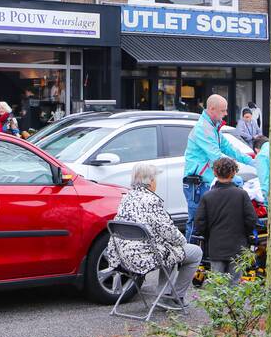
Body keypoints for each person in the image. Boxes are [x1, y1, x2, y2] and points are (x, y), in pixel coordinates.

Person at [106, 163, 203, 309]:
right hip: (144, 257)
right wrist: (183, 241)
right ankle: (176, 297)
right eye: (155, 179)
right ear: (150, 181)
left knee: (169, 250)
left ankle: (164, 295)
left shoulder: (126, 198)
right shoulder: (151, 200)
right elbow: (168, 231)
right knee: (195, 252)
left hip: (123, 256)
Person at [183, 94, 254, 241]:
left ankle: (201, 257)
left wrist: (251, 161)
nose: (226, 114)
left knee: (207, 222)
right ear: (211, 109)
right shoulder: (204, 129)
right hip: (198, 183)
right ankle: (190, 259)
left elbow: (229, 148)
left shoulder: (212, 127)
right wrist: (233, 175)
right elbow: (215, 155)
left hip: (205, 182)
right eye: (223, 110)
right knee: (196, 223)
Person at [192, 157, 258, 283]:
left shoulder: (208, 196)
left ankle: (220, 304)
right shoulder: (241, 194)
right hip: (238, 245)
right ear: (234, 173)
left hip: (216, 246)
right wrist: (246, 233)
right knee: (235, 283)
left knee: (217, 284)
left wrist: (208, 235)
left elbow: (199, 223)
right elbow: (251, 219)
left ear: (215, 173)